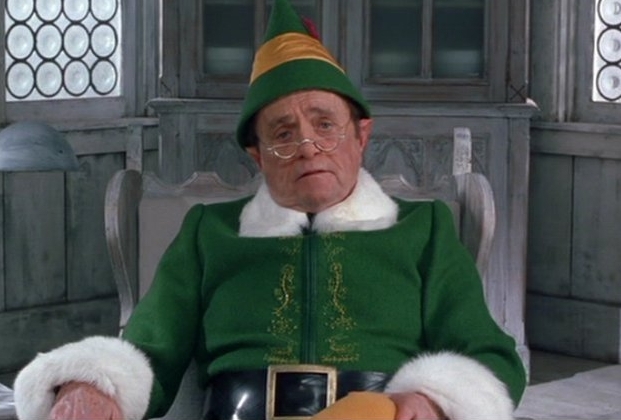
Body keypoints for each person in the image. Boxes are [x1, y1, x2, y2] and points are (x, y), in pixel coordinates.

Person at [13, 0, 526, 419]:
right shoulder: (209, 233)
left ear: (361, 135)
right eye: (282, 134)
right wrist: (91, 382)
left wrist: (434, 400)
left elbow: (490, 356)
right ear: (256, 154)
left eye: (325, 125)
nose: (307, 147)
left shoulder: (424, 230)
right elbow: (147, 348)